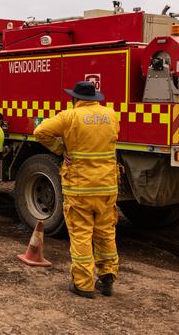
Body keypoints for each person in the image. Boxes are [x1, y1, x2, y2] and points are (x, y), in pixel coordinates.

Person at [34, 81, 119, 299]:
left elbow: (40, 131)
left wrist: (61, 149)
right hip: (107, 185)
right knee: (106, 232)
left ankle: (83, 284)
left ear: (75, 99)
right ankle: (107, 277)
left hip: (80, 186)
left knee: (82, 234)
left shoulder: (69, 116)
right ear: (95, 98)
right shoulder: (111, 115)